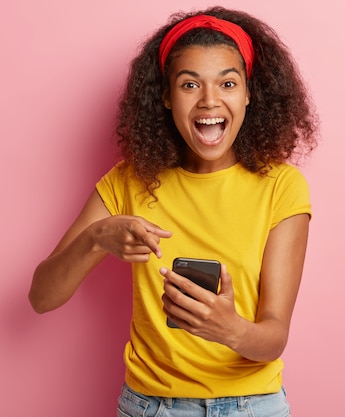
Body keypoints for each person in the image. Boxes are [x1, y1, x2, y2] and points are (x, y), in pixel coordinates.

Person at [29, 6, 318, 416]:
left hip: (251, 405)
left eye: (228, 83)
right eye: (189, 85)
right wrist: (97, 238)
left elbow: (274, 336)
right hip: (151, 407)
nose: (209, 100)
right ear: (166, 96)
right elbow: (41, 297)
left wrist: (229, 329)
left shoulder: (282, 187)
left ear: (250, 93)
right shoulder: (129, 181)